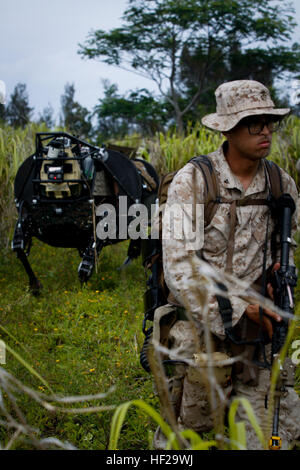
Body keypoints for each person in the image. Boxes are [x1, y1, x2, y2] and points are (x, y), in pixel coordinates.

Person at [153, 80, 300, 450]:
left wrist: (276, 282)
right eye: (254, 122)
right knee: (190, 434)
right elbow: (180, 269)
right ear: (227, 129)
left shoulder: (281, 184)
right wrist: (238, 309)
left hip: (259, 327)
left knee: (271, 430)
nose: (265, 130)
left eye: (269, 121)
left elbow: (287, 247)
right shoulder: (195, 182)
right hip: (202, 320)